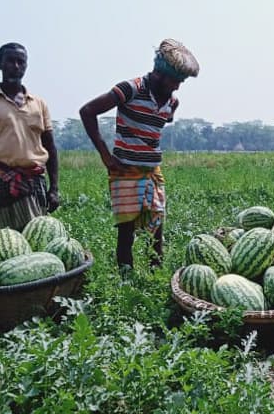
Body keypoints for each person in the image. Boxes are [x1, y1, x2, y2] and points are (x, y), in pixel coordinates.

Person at [78, 39, 199, 272]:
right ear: (160, 73)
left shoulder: (172, 102)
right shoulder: (130, 89)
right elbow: (87, 111)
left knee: (157, 228)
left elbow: (161, 121)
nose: (177, 87)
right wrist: (105, 154)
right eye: (175, 80)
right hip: (125, 171)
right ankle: (126, 280)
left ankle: (156, 275)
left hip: (153, 172)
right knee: (126, 232)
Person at [0, 43, 60, 231]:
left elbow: (50, 147)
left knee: (37, 237)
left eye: (21, 62)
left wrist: (54, 188)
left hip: (34, 180)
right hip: (2, 180)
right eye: (10, 61)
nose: (16, 66)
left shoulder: (39, 104)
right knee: (7, 242)